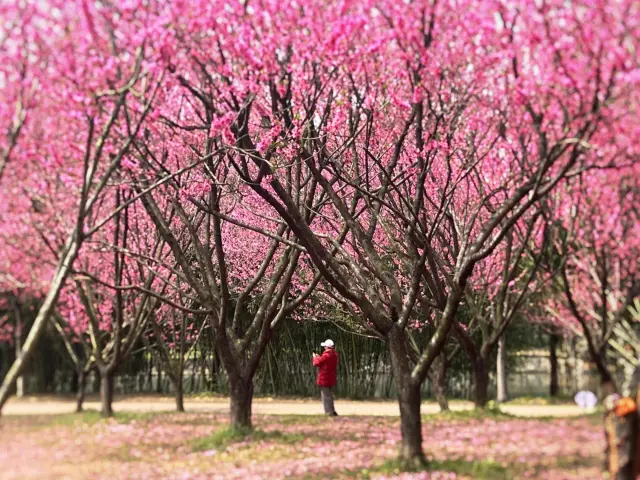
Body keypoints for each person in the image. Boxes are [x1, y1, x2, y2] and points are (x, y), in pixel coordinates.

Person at [312, 339, 339, 416]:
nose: (324, 348)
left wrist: (315, 357)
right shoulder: (335, 355)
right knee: (329, 395)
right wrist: (319, 357)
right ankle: (332, 411)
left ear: (327, 347)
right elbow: (324, 363)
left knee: (325, 396)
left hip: (324, 378)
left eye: (325, 346)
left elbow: (317, 363)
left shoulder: (326, 355)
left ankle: (328, 412)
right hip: (331, 378)